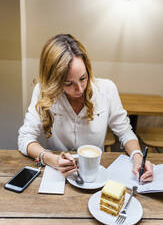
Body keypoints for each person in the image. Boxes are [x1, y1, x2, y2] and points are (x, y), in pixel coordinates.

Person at [18, 34, 153, 182]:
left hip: (95, 175)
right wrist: (51, 159)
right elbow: (25, 138)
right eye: (68, 83)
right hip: (57, 176)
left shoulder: (107, 90)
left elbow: (125, 132)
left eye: (83, 78)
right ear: (54, 82)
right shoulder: (43, 91)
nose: (80, 89)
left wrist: (137, 156)